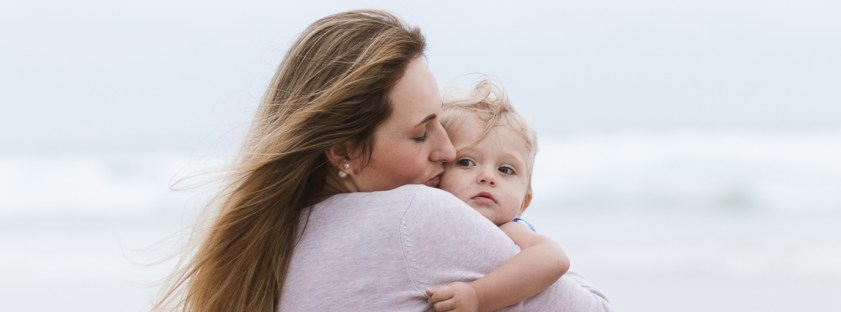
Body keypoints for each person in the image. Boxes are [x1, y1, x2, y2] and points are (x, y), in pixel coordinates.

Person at [155, 9, 611, 311]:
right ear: (344, 152)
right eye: (421, 133)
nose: (448, 151)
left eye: (442, 123)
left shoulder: (272, 247)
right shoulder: (414, 216)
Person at [426, 78, 577, 311]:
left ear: (524, 201)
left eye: (505, 170)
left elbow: (554, 258)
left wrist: (478, 296)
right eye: (466, 162)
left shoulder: (507, 230)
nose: (488, 177)